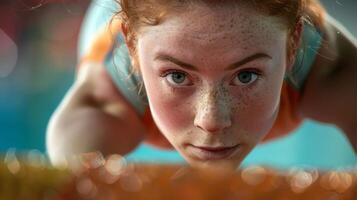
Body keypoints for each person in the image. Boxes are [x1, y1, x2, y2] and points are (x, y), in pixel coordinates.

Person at [46, 0, 357, 169]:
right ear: (131, 46)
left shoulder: (334, 73)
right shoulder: (102, 109)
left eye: (246, 75)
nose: (211, 121)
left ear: (292, 47)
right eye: (177, 76)